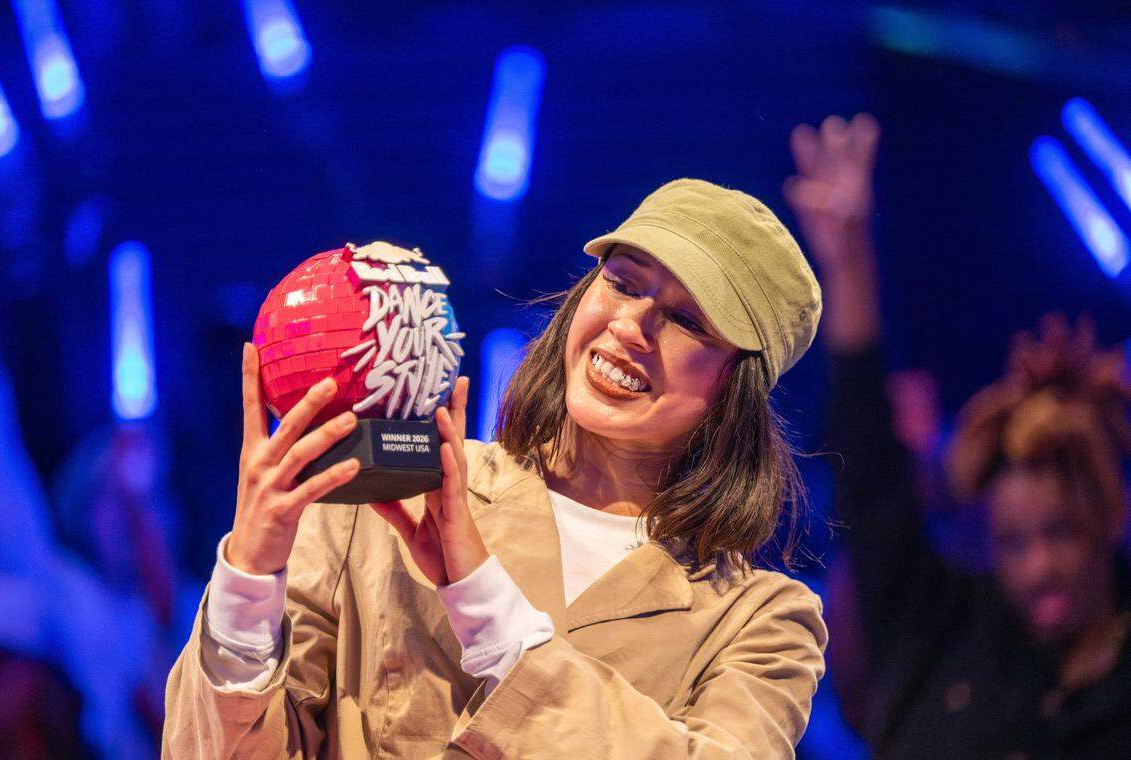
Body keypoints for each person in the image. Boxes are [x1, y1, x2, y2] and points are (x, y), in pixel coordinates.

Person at [163, 179, 829, 758]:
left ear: (736, 388)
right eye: (622, 283)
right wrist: (248, 581)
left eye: (686, 320)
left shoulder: (761, 623)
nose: (630, 325)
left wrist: (483, 602)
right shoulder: (386, 495)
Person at [785, 113, 1131, 757]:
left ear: (1107, 517)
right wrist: (849, 261)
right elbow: (869, 468)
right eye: (1013, 543)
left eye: (1060, 532)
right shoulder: (946, 631)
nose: (1040, 567)